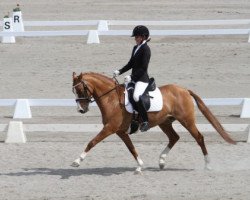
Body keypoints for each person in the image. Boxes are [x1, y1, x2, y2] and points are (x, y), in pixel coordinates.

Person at [113, 25, 151, 132]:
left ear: (143, 37)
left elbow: (143, 68)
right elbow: (131, 64)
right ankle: (131, 119)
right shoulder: (135, 48)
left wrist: (131, 77)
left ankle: (145, 121)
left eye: (137, 37)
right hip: (133, 78)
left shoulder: (146, 49)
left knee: (136, 96)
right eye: (135, 37)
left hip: (142, 79)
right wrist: (119, 71)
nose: (135, 39)